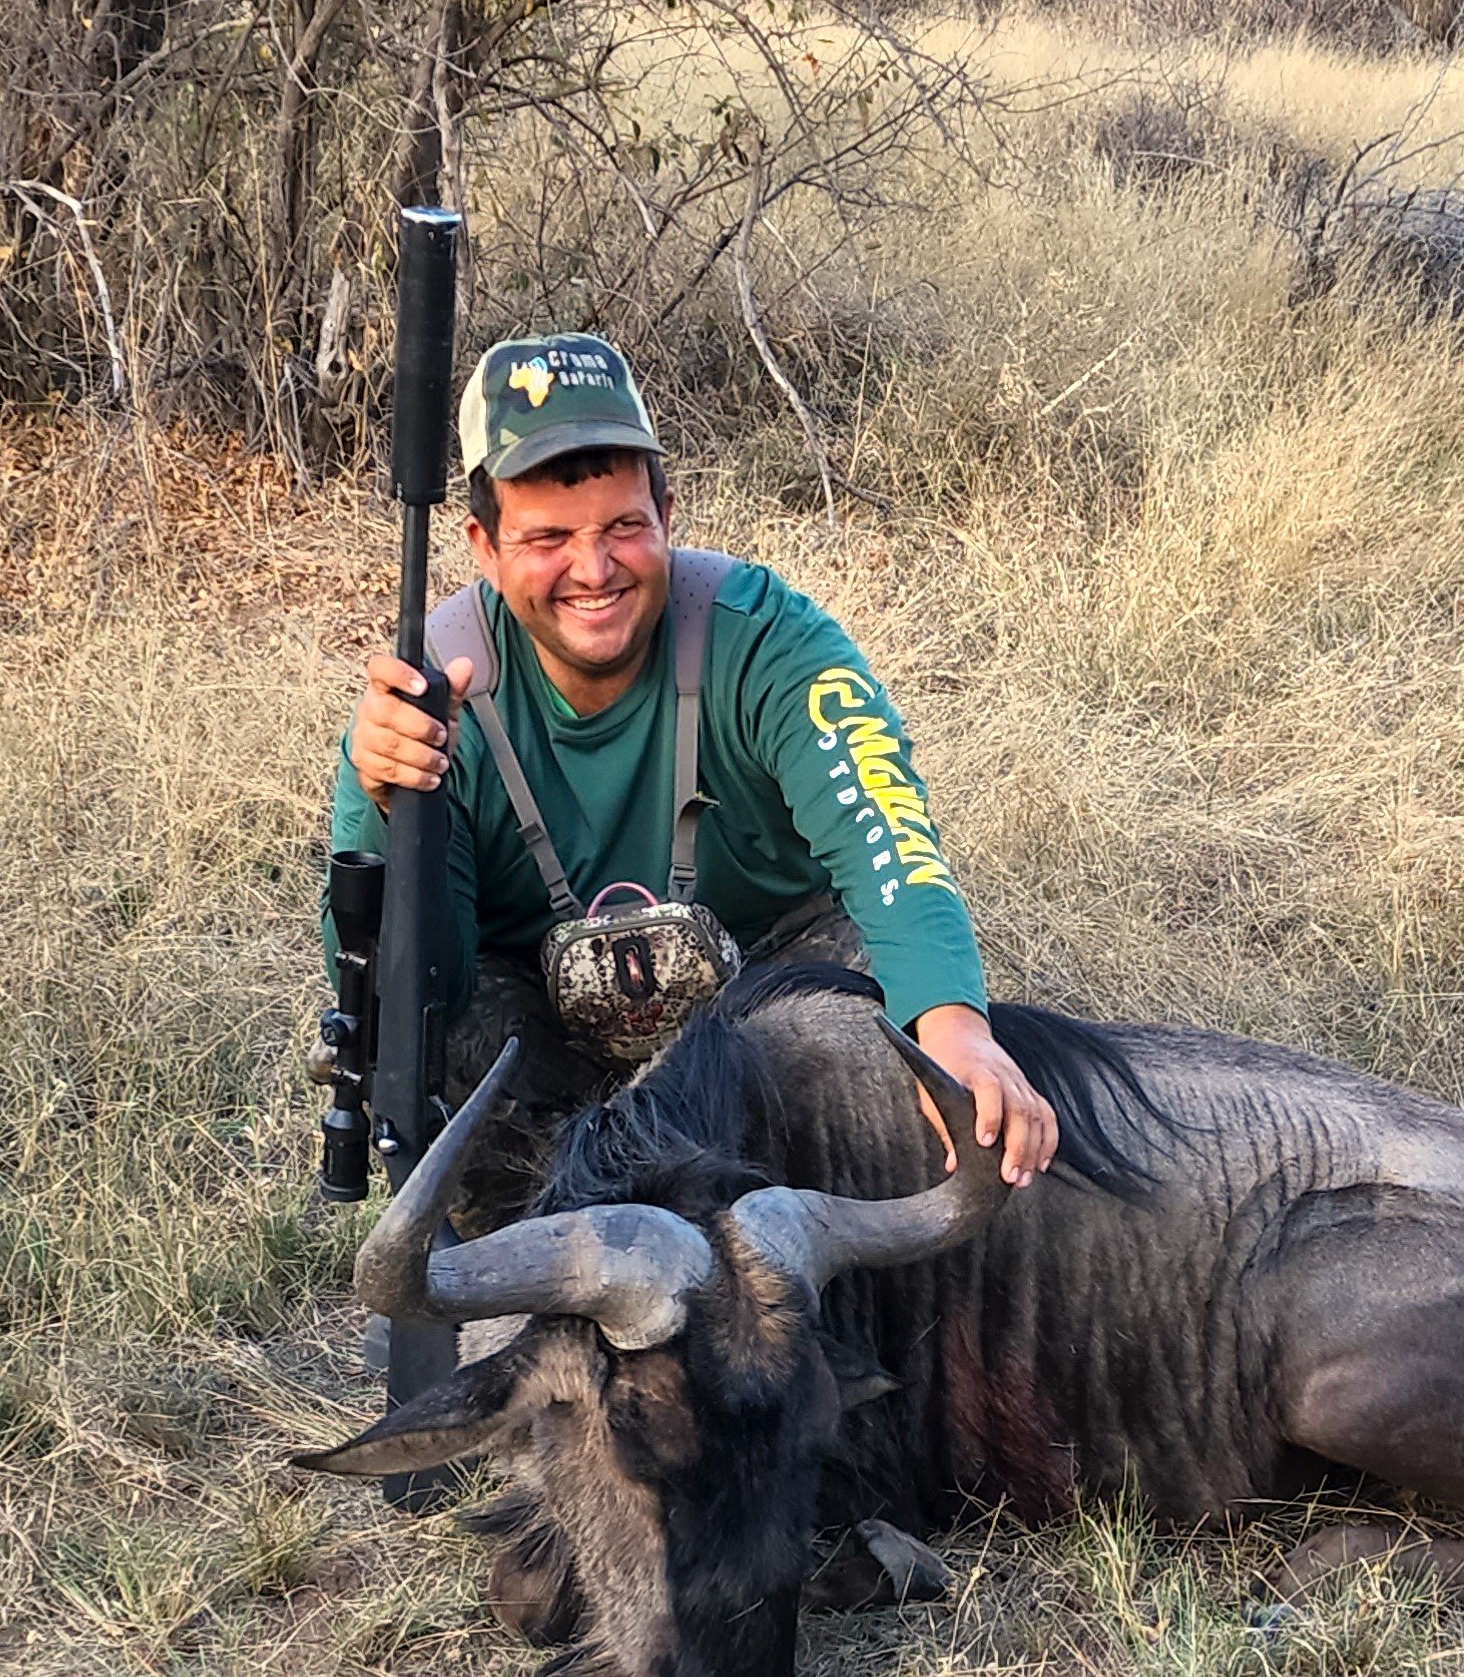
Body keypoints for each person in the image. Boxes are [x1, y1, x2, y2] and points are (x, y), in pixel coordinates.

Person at [331, 329, 1057, 1204]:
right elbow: (407, 988)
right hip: (543, 1044)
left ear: (669, 517)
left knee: (879, 1026)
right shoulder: (424, 702)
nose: (593, 570)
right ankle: (549, 1274)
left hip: (761, 1024)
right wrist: (385, 802)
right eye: (547, 537)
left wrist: (953, 1028)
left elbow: (889, 841)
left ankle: (819, 1267)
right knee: (438, 1040)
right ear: (482, 546)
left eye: (625, 527)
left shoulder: (769, 637)